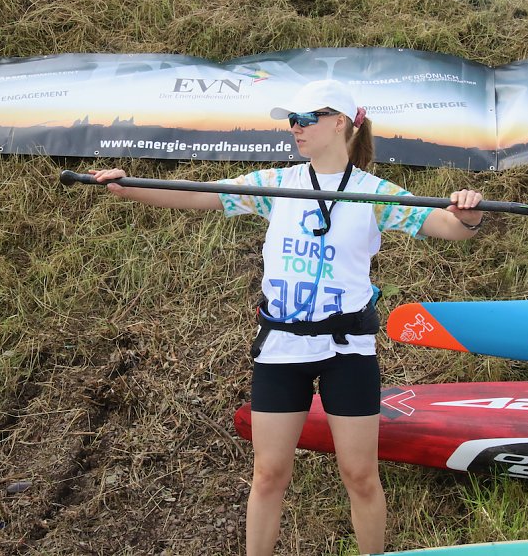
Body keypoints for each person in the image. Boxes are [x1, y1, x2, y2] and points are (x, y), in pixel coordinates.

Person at [90, 79, 484, 556]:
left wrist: (467, 215)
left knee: (360, 475)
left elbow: (446, 226)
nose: (295, 128)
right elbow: (198, 195)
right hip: (281, 349)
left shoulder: (375, 193)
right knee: (268, 475)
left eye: (306, 118)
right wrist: (129, 188)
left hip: (347, 352)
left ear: (339, 122)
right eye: (291, 119)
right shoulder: (276, 185)